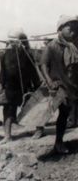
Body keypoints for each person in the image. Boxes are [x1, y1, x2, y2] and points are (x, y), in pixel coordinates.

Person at [39, 15, 78, 156]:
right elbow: (43, 64)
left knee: (69, 112)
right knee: (63, 113)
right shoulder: (52, 46)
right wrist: (49, 81)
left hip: (73, 84)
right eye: (70, 28)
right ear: (60, 29)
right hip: (60, 85)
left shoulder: (74, 46)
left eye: (75, 29)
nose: (73, 31)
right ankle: (58, 143)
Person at [0, 29, 40, 144]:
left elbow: (33, 72)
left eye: (13, 41)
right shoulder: (4, 54)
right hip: (10, 87)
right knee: (8, 110)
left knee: (33, 109)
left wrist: (36, 86)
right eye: (9, 41)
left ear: (20, 42)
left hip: (26, 87)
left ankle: (39, 130)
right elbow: (3, 72)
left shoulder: (27, 54)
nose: (10, 44)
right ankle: (7, 136)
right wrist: (1, 84)